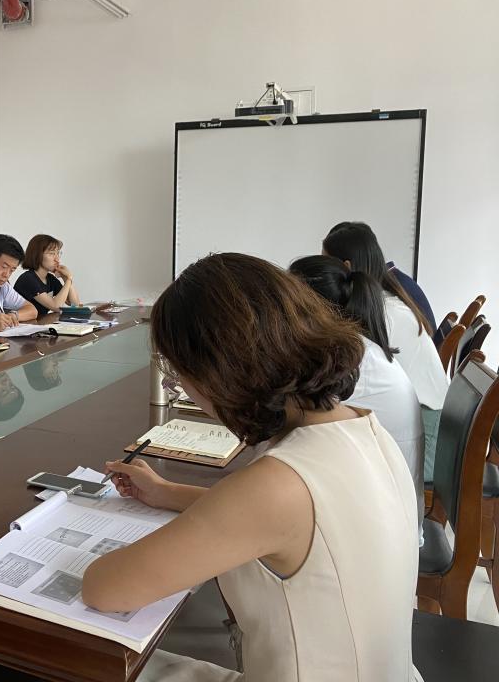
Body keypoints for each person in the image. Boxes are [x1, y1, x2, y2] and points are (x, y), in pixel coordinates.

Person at [81, 254, 422, 682]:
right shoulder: (362, 427)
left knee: (86, 664)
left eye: (177, 374)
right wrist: (166, 492)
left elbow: (103, 588)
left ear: (216, 370)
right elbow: (293, 522)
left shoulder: (276, 484)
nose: (179, 387)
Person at [289, 255, 423, 502]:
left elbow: (293, 424)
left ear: (308, 308)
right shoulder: (360, 348)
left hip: (385, 510)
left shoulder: (350, 361)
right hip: (388, 498)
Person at [322, 221, 447, 483]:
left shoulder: (386, 314)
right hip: (424, 421)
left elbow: (349, 382)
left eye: (325, 262)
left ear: (346, 267)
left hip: (428, 440)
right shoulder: (387, 298)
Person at [14, 234, 82, 318]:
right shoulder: (28, 279)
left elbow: (75, 305)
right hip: (21, 324)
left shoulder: (50, 278)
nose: (57, 259)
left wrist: (66, 279)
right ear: (37, 255)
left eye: (58, 253)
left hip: (38, 323)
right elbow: (56, 306)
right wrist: (68, 280)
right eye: (52, 253)